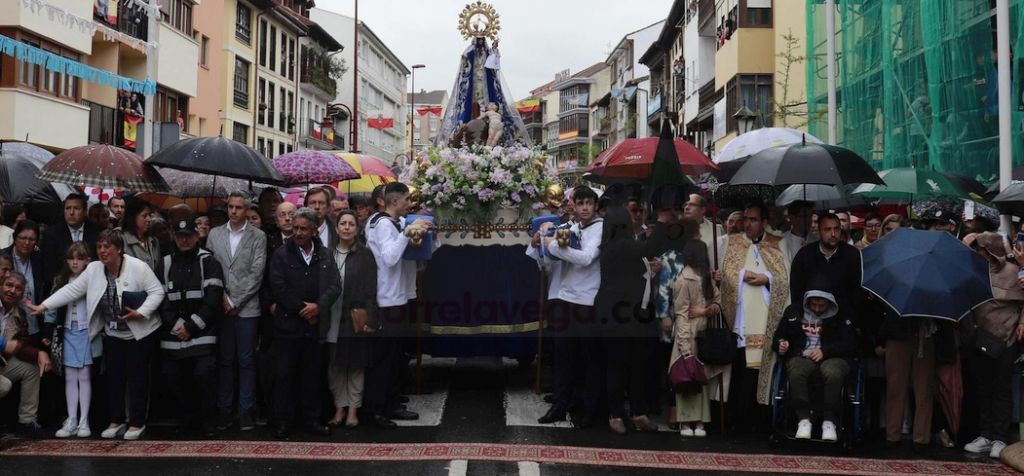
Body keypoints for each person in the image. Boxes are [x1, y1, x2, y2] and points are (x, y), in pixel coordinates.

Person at [31, 229, 166, 441]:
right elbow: (72, 290)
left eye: (107, 247)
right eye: (99, 247)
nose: (102, 251)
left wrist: (141, 312)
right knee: (114, 378)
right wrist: (44, 306)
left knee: (137, 378)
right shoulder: (94, 269)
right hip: (112, 332)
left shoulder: (138, 267)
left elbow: (157, 292)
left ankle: (137, 423)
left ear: (119, 249)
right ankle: (117, 420)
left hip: (140, 333)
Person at [365, 182, 433, 428]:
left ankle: (391, 401)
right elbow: (390, 258)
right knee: (383, 360)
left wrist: (419, 229)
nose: (409, 204)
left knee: (394, 357)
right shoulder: (382, 224)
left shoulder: (394, 222)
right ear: (395, 201)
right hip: (386, 300)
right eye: (406, 200)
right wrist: (407, 233)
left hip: (399, 296)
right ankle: (375, 410)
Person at [716, 200, 789, 431]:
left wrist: (767, 278)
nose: (747, 224)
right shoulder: (730, 243)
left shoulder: (779, 244)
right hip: (740, 319)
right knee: (738, 371)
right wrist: (738, 276)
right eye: (745, 219)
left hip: (766, 320)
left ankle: (761, 423)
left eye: (753, 220)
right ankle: (735, 421)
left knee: (760, 373)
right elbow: (723, 276)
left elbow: (786, 279)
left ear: (765, 223)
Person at [269, 207, 341, 438]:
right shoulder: (281, 254)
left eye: (303, 228)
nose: (298, 232)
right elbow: (279, 287)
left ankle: (312, 419)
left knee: (312, 375)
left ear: (313, 230)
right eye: (295, 228)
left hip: (314, 324)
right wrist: (303, 309)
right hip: (289, 324)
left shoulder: (325, 254)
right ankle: (282, 420)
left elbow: (334, 286)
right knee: (284, 375)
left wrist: (318, 306)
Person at [538, 186, 604, 427]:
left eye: (589, 203)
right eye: (581, 203)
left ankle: (589, 408)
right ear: (573, 205)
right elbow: (549, 255)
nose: (585, 208)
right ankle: (559, 405)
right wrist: (545, 237)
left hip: (587, 300)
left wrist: (554, 245)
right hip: (566, 298)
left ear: (595, 205)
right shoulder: (573, 227)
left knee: (588, 358)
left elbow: (586, 258)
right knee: (563, 357)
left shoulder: (600, 228)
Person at [207, 190, 267, 431]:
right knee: (224, 360)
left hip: (247, 307)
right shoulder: (214, 234)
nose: (233, 211)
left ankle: (245, 411)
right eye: (230, 207)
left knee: (246, 360)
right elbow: (211, 268)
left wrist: (236, 301)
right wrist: (223, 298)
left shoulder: (258, 236)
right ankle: (224, 410)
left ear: (247, 210)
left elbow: (257, 272)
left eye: (238, 208)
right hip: (221, 305)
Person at [159, 219, 225, 437]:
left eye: (188, 235)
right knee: (173, 376)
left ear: (197, 236)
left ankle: (208, 421)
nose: (184, 240)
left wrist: (191, 326)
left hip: (202, 333)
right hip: (174, 334)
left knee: (204, 374)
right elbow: (160, 299)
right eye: (180, 236)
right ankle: (186, 419)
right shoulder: (165, 263)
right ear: (174, 237)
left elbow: (213, 300)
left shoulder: (209, 262)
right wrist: (178, 326)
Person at [963, 232, 1024, 459]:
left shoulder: (1013, 272)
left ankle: (1000, 437)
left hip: (1006, 339)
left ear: (991, 252)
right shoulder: (972, 272)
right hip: (979, 338)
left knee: (1001, 389)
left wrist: (1022, 322)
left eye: (980, 249)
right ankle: (986, 435)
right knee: (983, 389)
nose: (977, 254)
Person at [595, 207, 656, 434]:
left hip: (631, 313)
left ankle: (636, 412)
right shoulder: (618, 246)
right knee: (619, 365)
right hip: (617, 314)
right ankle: (617, 413)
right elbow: (648, 249)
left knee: (635, 364)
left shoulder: (619, 246)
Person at [773, 277, 856, 441]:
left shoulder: (842, 313)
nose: (817, 309)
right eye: (814, 305)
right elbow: (778, 338)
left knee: (831, 371)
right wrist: (781, 344)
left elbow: (851, 343)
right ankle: (804, 420)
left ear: (829, 302)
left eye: (822, 305)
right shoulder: (793, 311)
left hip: (834, 357)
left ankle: (829, 420)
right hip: (802, 356)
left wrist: (825, 351)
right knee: (796, 369)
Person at [325, 210, 377, 428]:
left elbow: (370, 289)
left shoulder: (365, 255)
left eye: (351, 224)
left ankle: (353, 410)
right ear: (336, 228)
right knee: (335, 365)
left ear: (357, 228)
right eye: (343, 223)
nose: (346, 227)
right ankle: (339, 408)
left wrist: (370, 318)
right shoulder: (327, 255)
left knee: (356, 364)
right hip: (332, 316)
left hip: (355, 316)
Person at [43, 243, 97, 438]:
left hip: (86, 332)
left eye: (80, 258)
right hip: (66, 332)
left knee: (84, 375)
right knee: (69, 376)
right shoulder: (60, 281)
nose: (75, 262)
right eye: (72, 258)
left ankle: (85, 419)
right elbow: (51, 309)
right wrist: (47, 334)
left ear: (87, 261)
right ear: (66, 260)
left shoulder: (93, 281)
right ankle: (72, 418)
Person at [671, 240, 722, 438]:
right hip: (688, 336)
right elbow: (681, 314)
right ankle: (685, 421)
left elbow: (718, 302)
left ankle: (700, 419)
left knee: (701, 379)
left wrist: (706, 310)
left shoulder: (707, 277)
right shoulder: (683, 281)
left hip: (703, 334)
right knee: (686, 378)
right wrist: (685, 347)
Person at [0, 272, 51, 438]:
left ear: (22, 294)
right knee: (4, 385)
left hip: (2, 364)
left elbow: (20, 347)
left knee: (32, 368)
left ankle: (26, 423)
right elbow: (8, 346)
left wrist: (40, 353)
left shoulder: (19, 315)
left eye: (18, 288)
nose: (12, 291)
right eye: (9, 285)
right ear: (1, 285)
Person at [789, 214, 863, 319]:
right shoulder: (805, 254)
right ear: (819, 231)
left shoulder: (852, 254)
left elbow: (857, 291)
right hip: (811, 318)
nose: (833, 234)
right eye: (828, 230)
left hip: (843, 320)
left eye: (836, 229)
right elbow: (796, 289)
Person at [5, 220, 51, 337]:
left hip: (34, 325)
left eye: (31, 239)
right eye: (23, 238)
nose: (27, 243)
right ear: (15, 238)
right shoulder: (4, 258)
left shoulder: (39, 258)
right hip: (7, 327)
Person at [41, 193, 101, 278]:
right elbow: (49, 266)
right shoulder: (52, 233)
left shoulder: (97, 232)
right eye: (68, 208)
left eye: (76, 208)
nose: (71, 213)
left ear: (85, 212)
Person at [119, 197, 161, 276]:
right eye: (144, 216)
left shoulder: (153, 241)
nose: (149, 219)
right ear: (133, 217)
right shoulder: (121, 239)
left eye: (149, 215)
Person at [683, 194, 725, 264]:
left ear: (703, 209)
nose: (687, 207)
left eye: (692, 205)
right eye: (685, 204)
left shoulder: (717, 229)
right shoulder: (677, 228)